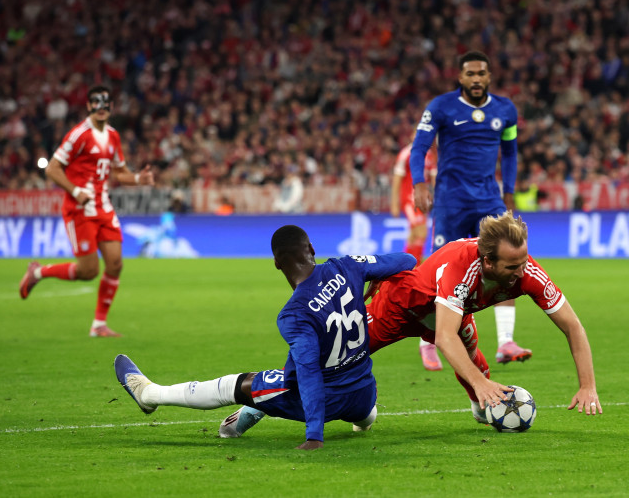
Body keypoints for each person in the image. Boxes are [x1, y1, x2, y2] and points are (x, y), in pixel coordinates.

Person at [224, 212, 602, 438]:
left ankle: (482, 409)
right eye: (513, 266)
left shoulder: (527, 272)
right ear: (488, 262)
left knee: (472, 348)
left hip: (444, 312)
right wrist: (480, 380)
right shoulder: (461, 269)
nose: (523, 271)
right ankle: (258, 405)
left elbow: (573, 327)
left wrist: (587, 385)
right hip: (401, 304)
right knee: (327, 356)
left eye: (524, 262)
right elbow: (444, 338)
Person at [114, 225, 417, 450]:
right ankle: (265, 408)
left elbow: (309, 374)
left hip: (327, 400)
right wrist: (376, 276)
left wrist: (314, 436)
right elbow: (406, 260)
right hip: (364, 392)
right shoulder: (347, 265)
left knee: (238, 385)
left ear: (276, 263)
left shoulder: (295, 313)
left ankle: (150, 395)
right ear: (311, 248)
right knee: (361, 412)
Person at [409, 50, 531, 365]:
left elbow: (510, 152)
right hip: (451, 201)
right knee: (438, 270)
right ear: (460, 77)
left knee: (507, 262)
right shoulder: (441, 107)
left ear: (489, 76)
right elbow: (419, 147)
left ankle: (506, 342)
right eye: (470, 74)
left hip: (489, 199)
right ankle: (427, 340)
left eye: (481, 73)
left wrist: (509, 190)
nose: (476, 79)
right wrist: (419, 182)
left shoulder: (505, 110)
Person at [18, 85, 154, 337]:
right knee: (88, 271)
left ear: (111, 107)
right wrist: (75, 191)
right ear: (89, 106)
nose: (101, 107)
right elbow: (52, 168)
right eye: (96, 102)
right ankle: (37, 272)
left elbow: (119, 172)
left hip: (103, 206)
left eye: (105, 102)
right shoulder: (78, 135)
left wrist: (138, 179)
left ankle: (99, 325)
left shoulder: (113, 136)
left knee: (115, 264)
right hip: (80, 209)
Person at [390, 137, 441, 371]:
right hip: (408, 198)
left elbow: (433, 178)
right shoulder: (407, 152)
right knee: (419, 231)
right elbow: (397, 179)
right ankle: (410, 270)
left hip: (422, 198)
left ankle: (403, 271)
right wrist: (394, 203)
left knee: (417, 236)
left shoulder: (430, 156)